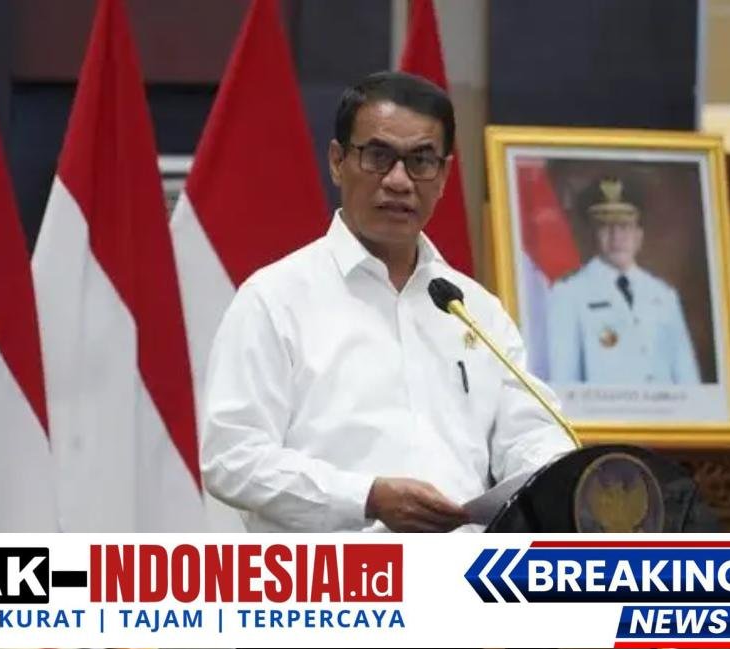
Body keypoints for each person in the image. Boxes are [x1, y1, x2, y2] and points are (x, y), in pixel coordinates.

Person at [201, 71, 574, 533]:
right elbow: (232, 458)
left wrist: (560, 472)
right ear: (337, 162)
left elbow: (530, 433)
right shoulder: (275, 299)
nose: (399, 181)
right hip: (339, 575)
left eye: (421, 161)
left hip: (465, 570)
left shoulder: (475, 309)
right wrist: (367, 498)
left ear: (444, 176)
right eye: (378, 156)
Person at [547, 178, 701, 384]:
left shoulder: (664, 295)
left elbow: (686, 375)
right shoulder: (568, 293)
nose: (616, 237)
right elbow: (562, 378)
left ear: (639, 235)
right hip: (601, 406)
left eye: (625, 226)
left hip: (663, 405)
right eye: (606, 227)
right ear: (593, 234)